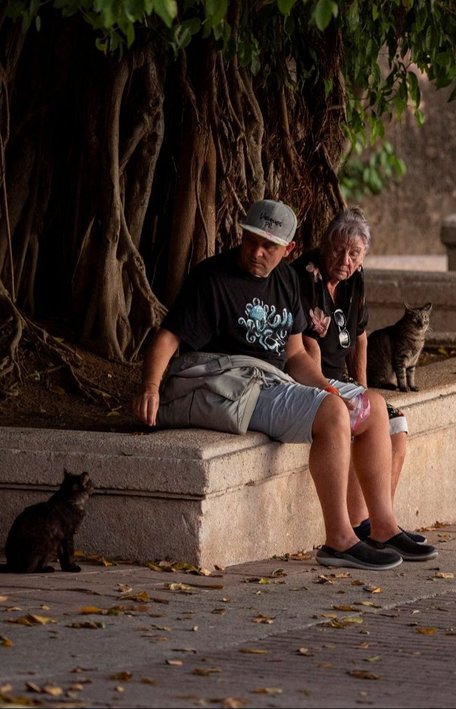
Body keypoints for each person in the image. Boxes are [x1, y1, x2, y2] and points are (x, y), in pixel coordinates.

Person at [133, 199, 437, 570]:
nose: (256, 252)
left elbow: (294, 355)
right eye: (251, 241)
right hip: (234, 381)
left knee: (370, 405)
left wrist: (328, 386)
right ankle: (340, 539)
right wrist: (150, 386)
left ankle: (383, 528)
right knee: (332, 414)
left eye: (269, 246)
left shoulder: (286, 280)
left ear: (288, 249)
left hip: (275, 380)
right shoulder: (213, 278)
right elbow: (168, 337)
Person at [292, 205, 426, 543]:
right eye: (339, 248)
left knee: (395, 423)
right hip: (312, 379)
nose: (345, 259)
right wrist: (339, 393)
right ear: (325, 243)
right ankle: (358, 527)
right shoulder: (304, 276)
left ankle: (376, 523)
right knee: (360, 419)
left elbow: (361, 337)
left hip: (342, 380)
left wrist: (362, 387)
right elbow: (306, 346)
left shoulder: (355, 280)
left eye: (355, 253)